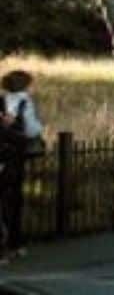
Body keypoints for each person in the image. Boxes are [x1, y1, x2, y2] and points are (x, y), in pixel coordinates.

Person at [0, 70, 43, 263]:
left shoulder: (2, 101)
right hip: (14, 158)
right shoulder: (25, 102)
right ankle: (13, 245)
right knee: (13, 202)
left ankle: (7, 247)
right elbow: (32, 129)